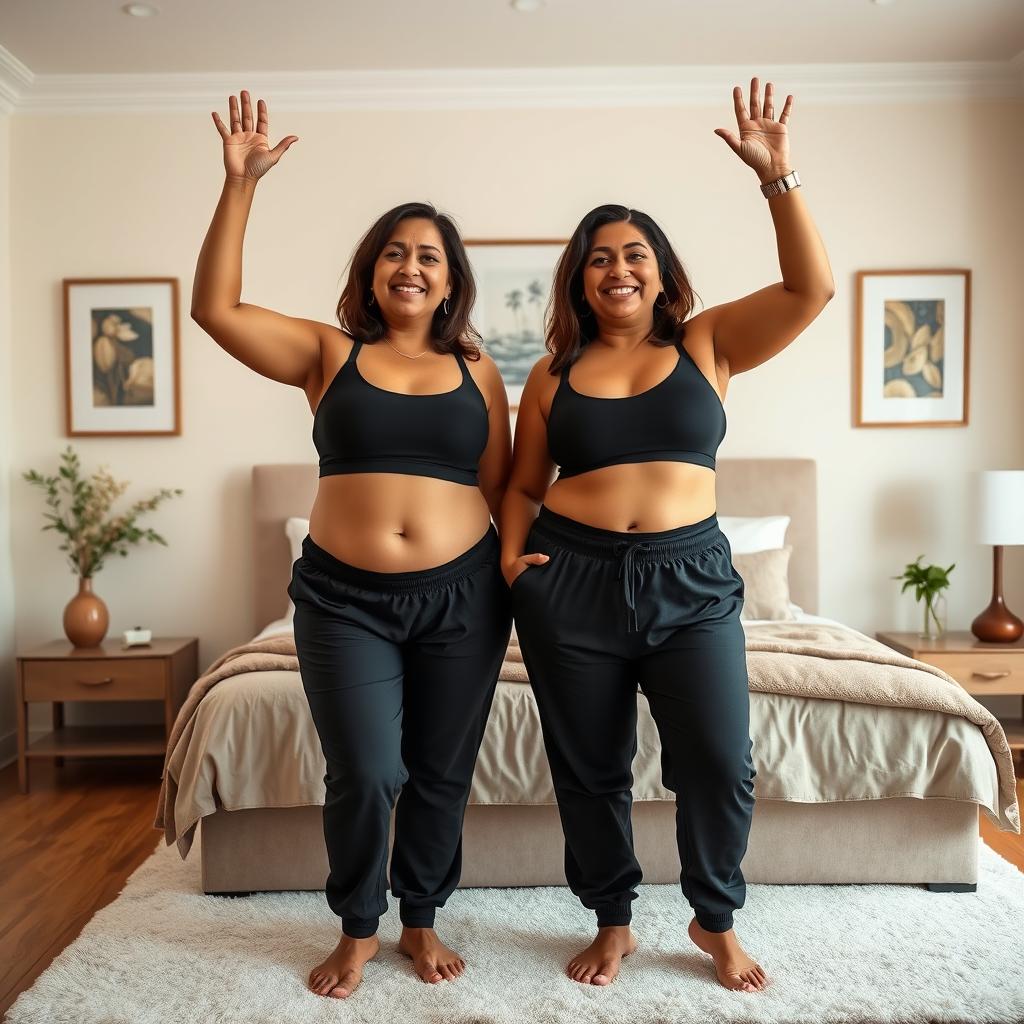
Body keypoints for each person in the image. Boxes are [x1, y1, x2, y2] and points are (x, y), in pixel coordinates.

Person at [500, 78, 834, 993]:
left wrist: (778, 177)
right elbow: (524, 483)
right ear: (580, 278)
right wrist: (510, 561)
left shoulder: (709, 344)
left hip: (689, 577)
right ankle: (613, 920)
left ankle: (713, 916)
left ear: (660, 270)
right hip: (569, 582)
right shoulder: (552, 377)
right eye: (599, 257)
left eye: (634, 253)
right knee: (589, 767)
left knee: (721, 760)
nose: (618, 268)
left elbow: (814, 287)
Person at [191, 91, 513, 1000]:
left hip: (463, 596)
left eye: (429, 257)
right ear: (371, 272)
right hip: (343, 598)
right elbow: (214, 308)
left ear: (451, 282)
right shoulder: (326, 354)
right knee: (368, 769)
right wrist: (239, 186)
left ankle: (420, 920)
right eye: (395, 252)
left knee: (442, 771)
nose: (411, 266)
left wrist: (526, 567)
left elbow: (503, 482)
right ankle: (357, 927)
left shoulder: (477, 366)